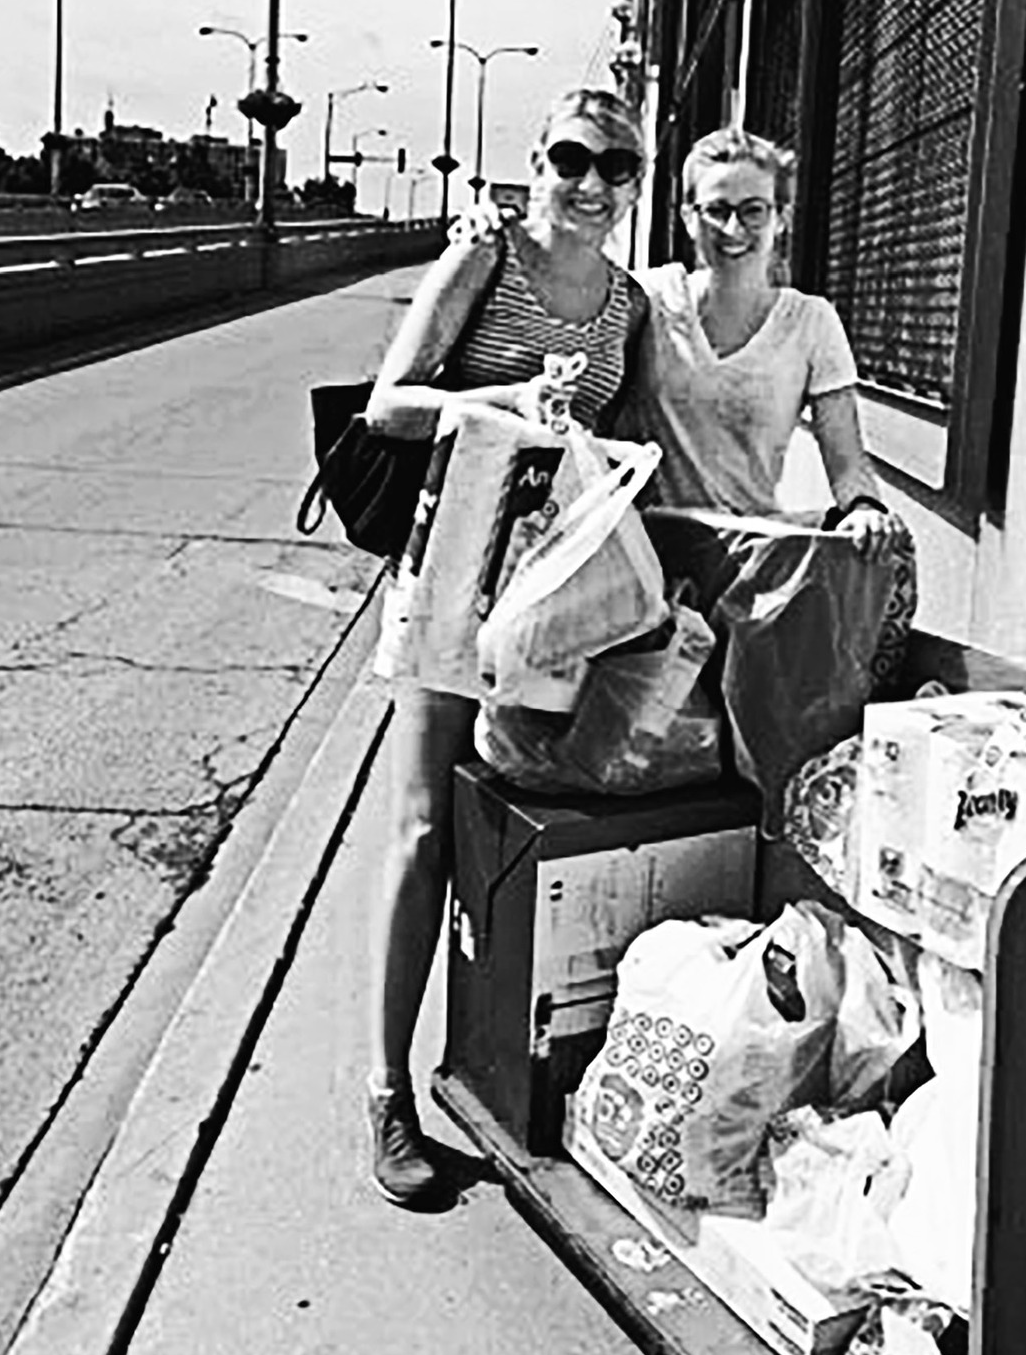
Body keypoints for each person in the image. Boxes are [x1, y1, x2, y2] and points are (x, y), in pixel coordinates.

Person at [362, 88, 649, 1209]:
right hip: (456, 572)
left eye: (614, 166)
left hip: (557, 595)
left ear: (635, 184)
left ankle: (510, 1069)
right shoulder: (486, 260)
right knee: (428, 822)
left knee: (537, 817)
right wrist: (514, 399)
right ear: (536, 161)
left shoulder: (628, 304)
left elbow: (642, 434)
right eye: (570, 157)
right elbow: (390, 402)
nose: (589, 182)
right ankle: (387, 1092)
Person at [623, 125, 896, 556]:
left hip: (748, 559)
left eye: (753, 210)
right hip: (645, 552)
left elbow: (847, 463)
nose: (734, 228)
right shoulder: (647, 300)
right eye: (716, 209)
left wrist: (863, 508)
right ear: (689, 218)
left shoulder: (811, 322)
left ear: (781, 218)